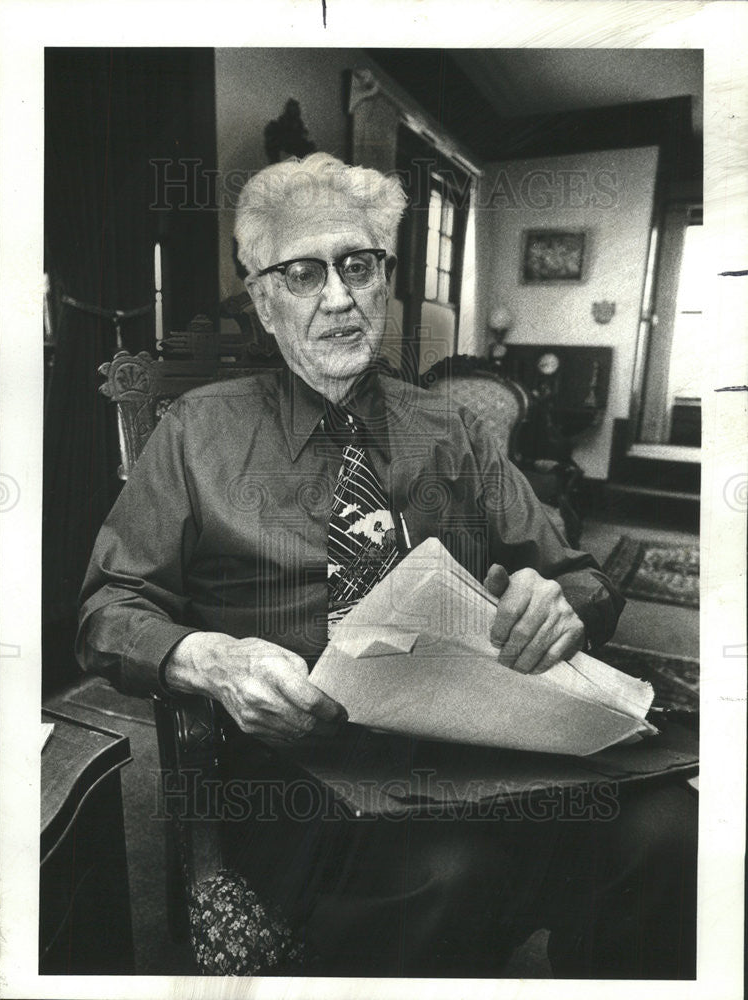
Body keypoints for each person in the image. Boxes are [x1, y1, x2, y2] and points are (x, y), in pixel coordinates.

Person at [77, 152, 696, 978]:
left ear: (384, 282)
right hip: (299, 768)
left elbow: (579, 573)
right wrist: (211, 659)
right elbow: (107, 611)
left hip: (484, 740)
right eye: (301, 273)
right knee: (449, 870)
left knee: (667, 830)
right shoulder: (196, 432)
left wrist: (562, 604)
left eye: (358, 265)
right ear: (262, 301)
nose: (337, 297)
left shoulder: (452, 430)